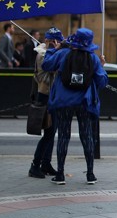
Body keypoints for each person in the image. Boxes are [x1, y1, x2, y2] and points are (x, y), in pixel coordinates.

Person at [42, 27, 108, 185]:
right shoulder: (93, 58)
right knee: (87, 136)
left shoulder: (63, 54)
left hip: (64, 102)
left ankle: (60, 174)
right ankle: (90, 174)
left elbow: (46, 65)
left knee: (64, 136)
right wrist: (102, 66)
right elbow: (102, 81)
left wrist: (54, 50)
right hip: (84, 102)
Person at [28, 27, 63, 179]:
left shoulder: (51, 52)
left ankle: (46, 164)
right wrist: (55, 50)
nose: (59, 43)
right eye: (57, 41)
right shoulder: (42, 54)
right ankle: (35, 165)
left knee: (52, 131)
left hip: (53, 96)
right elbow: (51, 67)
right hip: (45, 96)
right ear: (49, 41)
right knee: (48, 133)